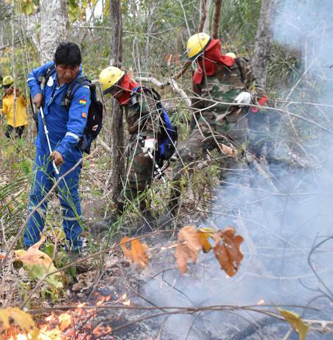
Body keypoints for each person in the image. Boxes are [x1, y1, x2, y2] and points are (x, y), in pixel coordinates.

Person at [169, 32, 265, 214]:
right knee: (184, 155)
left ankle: (231, 218)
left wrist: (250, 96)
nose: (198, 64)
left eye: (200, 59)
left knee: (230, 177)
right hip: (208, 126)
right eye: (195, 60)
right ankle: (171, 209)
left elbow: (259, 90)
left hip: (234, 128)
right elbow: (196, 109)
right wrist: (193, 137)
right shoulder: (199, 76)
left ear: (209, 54)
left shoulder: (238, 66)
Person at [24, 42, 90, 251]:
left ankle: (75, 248)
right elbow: (31, 76)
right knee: (38, 195)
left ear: (78, 66)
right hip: (43, 148)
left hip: (67, 154)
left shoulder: (81, 89)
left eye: (73, 68)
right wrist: (36, 91)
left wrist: (62, 149)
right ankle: (30, 247)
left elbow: (76, 126)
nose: (68, 73)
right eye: (64, 68)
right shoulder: (50, 69)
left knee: (68, 199)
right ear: (56, 64)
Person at [98, 66, 172, 220]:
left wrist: (150, 143)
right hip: (136, 141)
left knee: (134, 179)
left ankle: (115, 218)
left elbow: (153, 118)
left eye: (113, 90)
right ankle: (147, 217)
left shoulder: (141, 94)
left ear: (119, 85)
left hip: (147, 142)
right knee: (142, 180)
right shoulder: (128, 97)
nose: (112, 94)